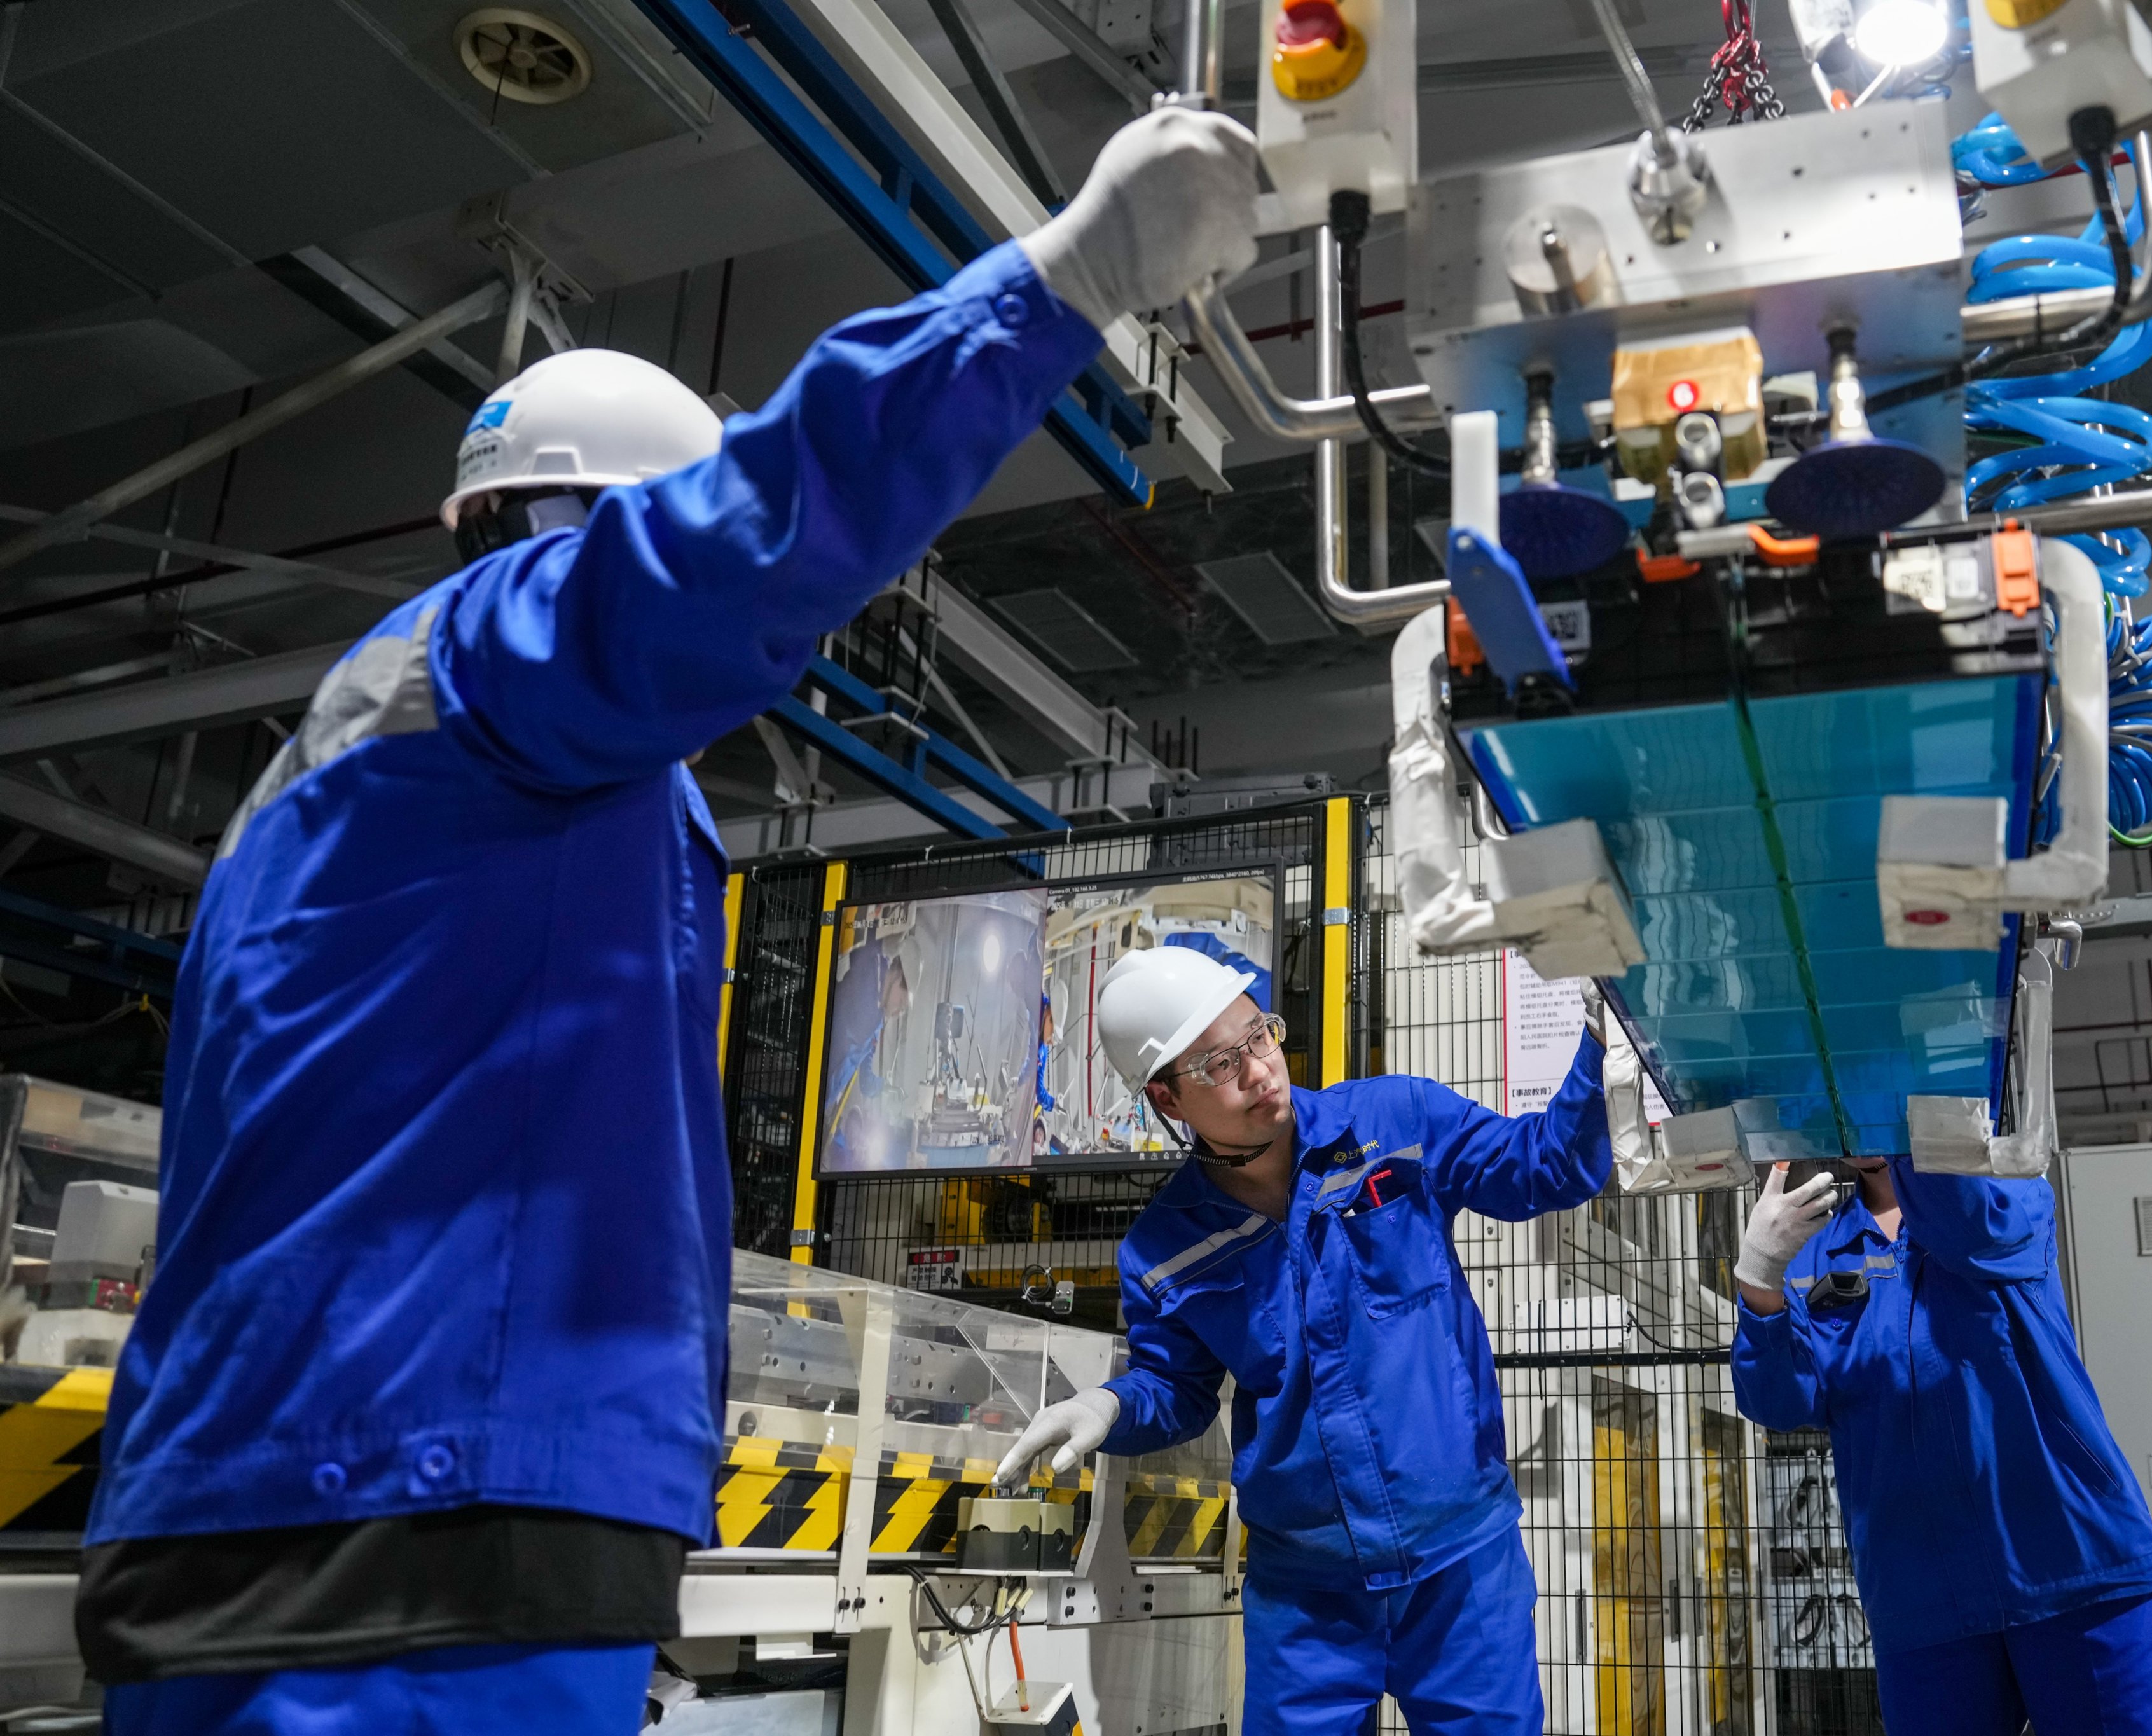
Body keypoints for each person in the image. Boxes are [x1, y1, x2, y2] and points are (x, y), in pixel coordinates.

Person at [74, 107, 1262, 1735]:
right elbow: (735, 548)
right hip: (410, 1532)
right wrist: (1062, 287)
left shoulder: (333, 789)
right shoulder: (505, 659)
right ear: (593, 533)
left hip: (301, 1515)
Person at [993, 946, 1612, 1736]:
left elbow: (1548, 1167)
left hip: (1462, 1568)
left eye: (1260, 1036)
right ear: (1168, 1099)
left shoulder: (1396, 1125)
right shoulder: (1163, 1248)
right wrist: (1110, 1407)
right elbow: (1177, 1391)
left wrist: (1597, 1041)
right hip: (1307, 1598)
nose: (1259, 1071)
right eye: (1220, 1062)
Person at [1727, 1151, 2152, 1733]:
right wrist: (1760, 1278)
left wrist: (1912, 1133)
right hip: (1920, 1590)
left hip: (2074, 1560)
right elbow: (1779, 1402)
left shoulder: (2009, 1190)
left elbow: (1962, 1226)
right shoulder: (1819, 1248)